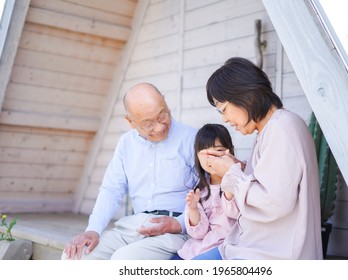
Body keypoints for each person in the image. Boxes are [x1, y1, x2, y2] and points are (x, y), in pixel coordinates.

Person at [193, 57, 323, 260]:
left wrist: (231, 173)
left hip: (269, 255)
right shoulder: (270, 129)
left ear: (247, 96)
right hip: (248, 247)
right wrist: (238, 167)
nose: (224, 119)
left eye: (224, 109)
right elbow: (271, 182)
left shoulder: (281, 128)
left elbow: (274, 202)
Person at [62, 82, 198, 260]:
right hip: (133, 227)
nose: (159, 127)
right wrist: (93, 230)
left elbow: (208, 195)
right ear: (130, 122)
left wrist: (178, 224)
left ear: (164, 101)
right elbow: (111, 190)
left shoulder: (194, 139)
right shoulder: (126, 143)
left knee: (123, 260)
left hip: (176, 231)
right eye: (148, 123)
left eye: (162, 114)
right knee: (74, 257)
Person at [174, 124, 240, 260]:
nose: (211, 158)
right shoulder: (200, 191)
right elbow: (198, 234)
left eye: (218, 151)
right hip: (197, 248)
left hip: (226, 246)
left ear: (230, 151)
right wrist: (193, 209)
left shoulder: (239, 179)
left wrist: (230, 175)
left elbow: (234, 212)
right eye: (205, 153)